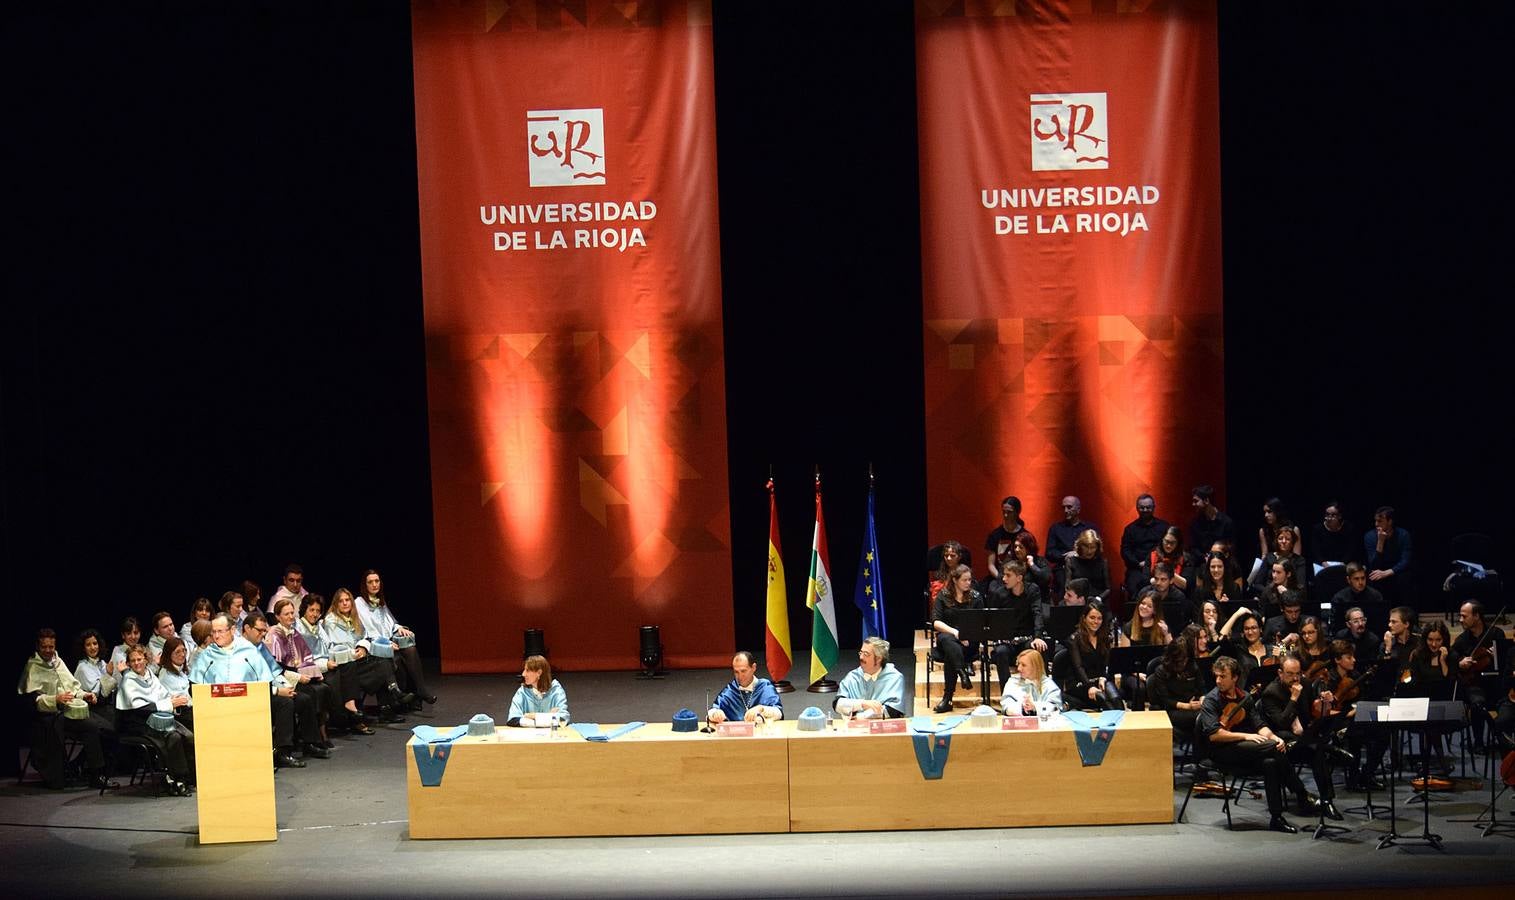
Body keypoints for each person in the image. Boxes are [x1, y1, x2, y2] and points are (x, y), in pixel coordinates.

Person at [1197, 655, 1318, 833]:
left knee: (1271, 760)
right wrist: (1246, 737)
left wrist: (1273, 737)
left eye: (1223, 676)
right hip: (1221, 751)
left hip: (1246, 750)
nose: (1218, 680)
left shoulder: (1245, 697)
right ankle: (1301, 794)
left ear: (1235, 678)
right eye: (1216, 676)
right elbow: (1214, 735)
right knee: (1272, 748)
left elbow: (1259, 725)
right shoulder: (1211, 700)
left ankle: (1276, 818)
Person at [189, 613, 310, 768]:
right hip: (219, 710)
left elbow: (264, 680)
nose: (216, 636)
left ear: (232, 630)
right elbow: (195, 687)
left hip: (249, 706)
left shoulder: (248, 651)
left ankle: (282, 753)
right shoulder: (207, 655)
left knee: (285, 703)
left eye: (221, 631)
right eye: (214, 632)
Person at [19, 629, 118, 791]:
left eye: (51, 646)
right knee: (55, 727)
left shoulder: (59, 662)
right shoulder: (33, 667)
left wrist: (85, 695)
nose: (49, 650)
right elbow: (32, 700)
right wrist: (54, 700)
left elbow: (72, 687)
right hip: (46, 716)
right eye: (45, 647)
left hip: (66, 712)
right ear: (38, 646)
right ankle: (59, 774)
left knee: (92, 726)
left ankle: (96, 774)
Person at [1258, 654, 1345, 820]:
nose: (1295, 678)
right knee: (1315, 747)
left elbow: (1313, 713)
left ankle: (1327, 801)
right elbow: (1281, 723)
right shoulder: (1271, 693)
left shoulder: (1305, 683)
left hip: (1304, 739)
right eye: (1290, 674)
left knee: (1317, 753)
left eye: (1297, 673)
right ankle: (1331, 749)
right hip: (1282, 744)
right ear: (1280, 673)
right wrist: (1293, 699)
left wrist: (1324, 702)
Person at [320, 586, 413, 729]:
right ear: (336, 604)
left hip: (357, 661)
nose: (345, 603)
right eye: (341, 601)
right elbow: (335, 647)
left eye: (347, 600)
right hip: (344, 666)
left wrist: (363, 647)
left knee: (382, 659)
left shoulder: (355, 618)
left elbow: (365, 637)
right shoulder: (331, 621)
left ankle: (394, 691)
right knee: (380, 666)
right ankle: (389, 700)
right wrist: (353, 652)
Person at [116, 645, 194, 795]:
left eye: (139, 659)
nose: (137, 663)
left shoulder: (150, 674)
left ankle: (191, 777)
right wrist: (169, 704)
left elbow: (162, 694)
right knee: (174, 737)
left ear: (146, 659)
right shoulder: (128, 681)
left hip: (160, 718)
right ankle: (177, 779)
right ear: (129, 663)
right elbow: (140, 708)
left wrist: (172, 699)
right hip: (139, 723)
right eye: (132, 661)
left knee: (190, 736)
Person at [356, 569, 436, 708]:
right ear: (365, 585)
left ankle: (420, 690)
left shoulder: (379, 601)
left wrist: (398, 628)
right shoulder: (360, 603)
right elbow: (368, 630)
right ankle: (412, 694)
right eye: (370, 582)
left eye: (377, 581)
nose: (374, 584)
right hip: (373, 646)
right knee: (399, 656)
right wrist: (386, 643)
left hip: (389, 642)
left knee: (410, 648)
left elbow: (389, 621)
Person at [267, 598, 338, 751]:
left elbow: (305, 657)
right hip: (284, 679)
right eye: (286, 614)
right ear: (278, 616)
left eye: (292, 613)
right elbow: (277, 666)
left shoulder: (293, 632)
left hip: (298, 673)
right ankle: (309, 739)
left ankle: (320, 733)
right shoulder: (274, 634)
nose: (291, 616)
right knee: (310, 693)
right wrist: (299, 677)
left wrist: (311, 672)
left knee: (324, 688)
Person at [1452, 600, 1509, 751]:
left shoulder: (1496, 634)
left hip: (1495, 682)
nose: (1460, 619)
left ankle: (1504, 739)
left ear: (1476, 616)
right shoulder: (1461, 641)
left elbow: (1506, 662)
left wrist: (1497, 656)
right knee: (1477, 703)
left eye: (1464, 616)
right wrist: (1460, 663)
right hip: (1474, 685)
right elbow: (1452, 661)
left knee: (1507, 702)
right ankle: (1478, 742)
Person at [930, 564, 984, 711]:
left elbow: (981, 623)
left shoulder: (976, 598)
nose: (968, 583)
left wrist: (966, 635)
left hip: (968, 644)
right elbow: (936, 621)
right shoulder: (944, 596)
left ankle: (947, 699)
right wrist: (955, 632)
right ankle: (961, 671)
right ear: (955, 580)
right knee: (947, 639)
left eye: (970, 580)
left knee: (951, 654)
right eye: (965, 580)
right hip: (948, 639)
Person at [987, 561, 1048, 689]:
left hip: (1026, 639)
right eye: (1004, 575)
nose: (1004, 579)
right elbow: (992, 620)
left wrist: (1038, 636)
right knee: (1000, 652)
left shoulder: (1033, 590)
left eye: (1008, 575)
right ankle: (1007, 692)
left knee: (1037, 649)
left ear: (1019, 578)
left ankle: (1039, 689)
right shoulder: (999, 594)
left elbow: (1037, 613)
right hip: (1006, 641)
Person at [1148, 628, 1205, 738]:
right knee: (1203, 718)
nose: (1183, 663)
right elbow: (1165, 700)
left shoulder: (1192, 665)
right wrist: (1187, 706)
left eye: (1186, 659)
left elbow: (1202, 688)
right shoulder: (1161, 671)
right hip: (1173, 710)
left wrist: (1202, 699)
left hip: (1194, 706)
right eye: (1180, 660)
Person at [1064, 602, 1121, 711]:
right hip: (1080, 682)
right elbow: (1078, 667)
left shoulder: (1105, 638)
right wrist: (1089, 686)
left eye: (1099, 618)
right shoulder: (1074, 639)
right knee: (1103, 699)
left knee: (1116, 699)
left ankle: (1124, 726)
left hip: (1100, 679)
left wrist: (1104, 677)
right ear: (1084, 618)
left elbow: (1107, 664)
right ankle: (1111, 727)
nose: (1096, 622)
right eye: (1092, 618)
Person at [835, 637, 906, 719]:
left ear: (879, 658)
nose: (861, 657)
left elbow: (893, 711)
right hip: (855, 729)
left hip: (883, 728)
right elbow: (837, 704)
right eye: (860, 653)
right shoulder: (852, 677)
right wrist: (862, 704)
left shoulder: (894, 678)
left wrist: (861, 716)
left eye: (866, 654)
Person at [708, 650, 782, 723]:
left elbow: (779, 713)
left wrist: (762, 709)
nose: (740, 676)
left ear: (753, 667)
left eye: (743, 671)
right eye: (736, 672)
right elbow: (713, 711)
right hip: (736, 734)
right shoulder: (730, 690)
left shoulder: (765, 687)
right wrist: (715, 714)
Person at [1120, 494, 1170, 598]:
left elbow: (1169, 547)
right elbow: (1125, 551)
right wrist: (1139, 564)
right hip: (1137, 568)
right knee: (1135, 588)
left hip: (1161, 566)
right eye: (1142, 507)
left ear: (1154, 507)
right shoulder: (1130, 529)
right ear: (1137, 508)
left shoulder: (1164, 526)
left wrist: (1156, 562)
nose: (1145, 510)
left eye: (1148, 507)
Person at [1250, 527, 1309, 609]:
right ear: (1276, 541)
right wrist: (1271, 592)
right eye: (1280, 538)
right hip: (1270, 597)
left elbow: (1301, 585)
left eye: (1287, 539)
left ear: (1292, 543)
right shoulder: (1269, 557)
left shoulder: (1299, 560)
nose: (1284, 541)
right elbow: (1257, 584)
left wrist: (1286, 592)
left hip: (1291, 599)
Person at [1363, 506, 1412, 603]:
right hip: (1379, 569)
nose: (1376, 524)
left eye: (1380, 521)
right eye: (1375, 521)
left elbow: (1406, 560)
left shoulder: (1403, 534)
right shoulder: (1370, 536)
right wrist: (1380, 542)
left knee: (1405, 577)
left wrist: (1388, 572)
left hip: (1396, 570)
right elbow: (1374, 564)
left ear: (1390, 522)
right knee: (1373, 577)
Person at [506, 655, 569, 726]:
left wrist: (534, 716)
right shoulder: (522, 692)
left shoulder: (556, 691)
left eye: (527, 670)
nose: (523, 674)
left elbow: (563, 719)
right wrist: (548, 717)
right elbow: (512, 719)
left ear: (539, 673)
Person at [72, 628, 117, 726]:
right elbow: (100, 694)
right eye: (88, 645)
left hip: (106, 705)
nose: (93, 647)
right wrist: (108, 674)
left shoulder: (101, 662)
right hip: (93, 709)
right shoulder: (82, 667)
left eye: (95, 643)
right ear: (83, 648)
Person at [1187, 485, 1235, 568]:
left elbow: (1230, 547)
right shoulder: (1195, 523)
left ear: (1206, 501)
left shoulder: (1226, 522)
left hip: (1222, 566)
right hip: (1202, 566)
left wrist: (1215, 558)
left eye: (1196, 501)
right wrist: (1205, 558)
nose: (1193, 504)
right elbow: (1193, 548)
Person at [1002, 648, 1060, 717]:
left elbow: (1055, 708)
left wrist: (1035, 707)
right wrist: (1021, 707)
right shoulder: (1012, 682)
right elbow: (1006, 706)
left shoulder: (1048, 685)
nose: (1019, 668)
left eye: (1023, 665)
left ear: (1035, 667)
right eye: (1018, 664)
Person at [1046, 496, 1097, 573]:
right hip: (1063, 569)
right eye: (1063, 508)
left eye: (1069, 507)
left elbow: (1097, 551)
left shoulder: (1090, 528)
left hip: (1086, 568)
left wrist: (1078, 554)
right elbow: (1049, 553)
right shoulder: (1055, 528)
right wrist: (1066, 556)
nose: (1065, 510)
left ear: (1078, 510)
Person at [984, 496, 1028, 581]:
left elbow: (1026, 562)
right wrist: (1001, 578)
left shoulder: (1024, 535)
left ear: (1017, 512)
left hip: (1019, 579)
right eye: (1004, 512)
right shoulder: (995, 535)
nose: (1006, 515)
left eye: (1009, 512)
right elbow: (991, 565)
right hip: (999, 577)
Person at [155, 636, 194, 731]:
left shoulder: (180, 670)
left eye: (184, 650)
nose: (182, 654)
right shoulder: (166, 675)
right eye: (177, 652)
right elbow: (184, 700)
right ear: (169, 654)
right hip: (180, 717)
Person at [1061, 529, 1111, 603]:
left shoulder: (1102, 563)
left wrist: (1098, 599)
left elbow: (1108, 589)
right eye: (1086, 547)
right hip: (1077, 602)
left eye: (1093, 547)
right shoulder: (1071, 561)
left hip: (1098, 601)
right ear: (1080, 546)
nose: (1089, 551)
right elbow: (1067, 587)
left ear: (1097, 548)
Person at [1330, 563, 1384, 631]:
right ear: (1348, 580)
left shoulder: (1376, 596)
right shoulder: (1339, 599)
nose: (1361, 582)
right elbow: (1336, 624)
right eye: (1356, 579)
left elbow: (1380, 622)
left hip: (1371, 635)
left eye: (1363, 578)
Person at [1309, 500, 1362, 568]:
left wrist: (1344, 562)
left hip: (1344, 564)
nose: (1329, 518)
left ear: (1340, 516)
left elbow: (1351, 550)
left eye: (1333, 515)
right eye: (1327, 514)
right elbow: (1315, 550)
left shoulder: (1349, 528)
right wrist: (1323, 562)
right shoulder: (1318, 529)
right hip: (1323, 565)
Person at [1257, 498, 1303, 563]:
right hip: (1271, 565)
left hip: (1290, 566)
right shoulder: (1263, 531)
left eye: (1269, 511)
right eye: (1265, 512)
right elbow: (1264, 554)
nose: (1266, 515)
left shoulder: (1294, 530)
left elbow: (1297, 556)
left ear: (1277, 511)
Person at [1380, 605, 1420, 677]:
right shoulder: (1385, 645)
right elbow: (1384, 673)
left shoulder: (1419, 643)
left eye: (1394, 622)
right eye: (1390, 621)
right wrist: (1388, 648)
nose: (1389, 625)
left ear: (1406, 624)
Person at [1144, 530, 1189, 595]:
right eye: (1166, 541)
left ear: (1178, 543)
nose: (1168, 545)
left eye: (1173, 543)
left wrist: (1168, 571)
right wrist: (1158, 581)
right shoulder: (1152, 555)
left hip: (1177, 594)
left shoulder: (1185, 558)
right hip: (1154, 593)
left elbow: (1187, 585)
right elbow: (1145, 580)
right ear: (1162, 540)